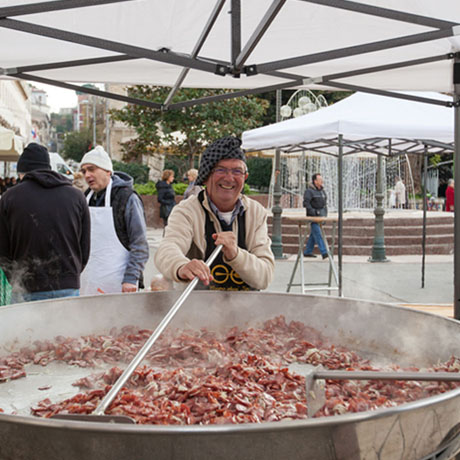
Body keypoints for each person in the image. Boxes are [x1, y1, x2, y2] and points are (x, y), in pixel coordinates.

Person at [154, 135, 274, 291]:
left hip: (246, 311)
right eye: (220, 170)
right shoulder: (186, 211)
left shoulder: (256, 212)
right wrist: (181, 266)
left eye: (237, 171)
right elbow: (167, 249)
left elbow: (264, 276)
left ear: (245, 178)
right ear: (205, 177)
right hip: (197, 310)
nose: (229, 178)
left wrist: (235, 254)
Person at [0, 143, 90, 303]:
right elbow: (84, 246)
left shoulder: (9, 197)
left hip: (25, 287)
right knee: (67, 329)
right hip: (68, 286)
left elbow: (3, 249)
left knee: (27, 329)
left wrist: (15, 278)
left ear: (22, 172)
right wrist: (71, 274)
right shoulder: (77, 196)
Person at [79, 145, 149, 295]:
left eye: (92, 169)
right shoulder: (85, 198)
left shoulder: (127, 198)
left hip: (120, 283)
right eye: (84, 171)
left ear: (108, 171)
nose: (87, 175)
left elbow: (140, 244)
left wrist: (131, 278)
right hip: (88, 281)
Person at [303, 173, 328, 259]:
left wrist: (324, 212)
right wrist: (313, 212)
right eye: (320, 180)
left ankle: (308, 251)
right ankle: (324, 252)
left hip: (321, 216)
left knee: (314, 234)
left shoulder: (322, 191)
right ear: (315, 181)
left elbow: (324, 203)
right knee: (318, 233)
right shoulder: (309, 191)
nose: (322, 181)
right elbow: (306, 203)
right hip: (313, 217)